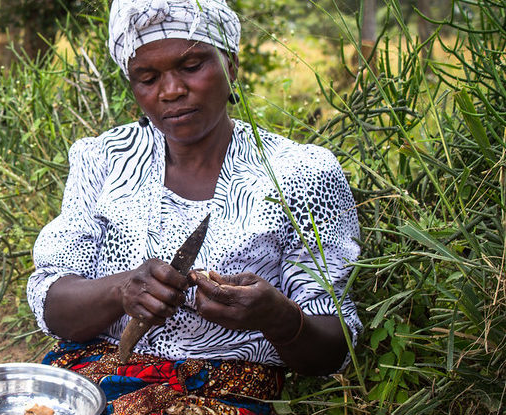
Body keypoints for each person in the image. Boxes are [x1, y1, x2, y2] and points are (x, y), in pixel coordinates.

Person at [26, 1, 362, 414]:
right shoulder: (104, 158)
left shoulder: (299, 172)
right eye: (147, 78)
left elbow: (333, 350)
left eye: (191, 66)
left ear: (231, 66)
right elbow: (53, 304)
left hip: (220, 393)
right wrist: (121, 290)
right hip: (88, 379)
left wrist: (276, 317)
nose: (170, 91)